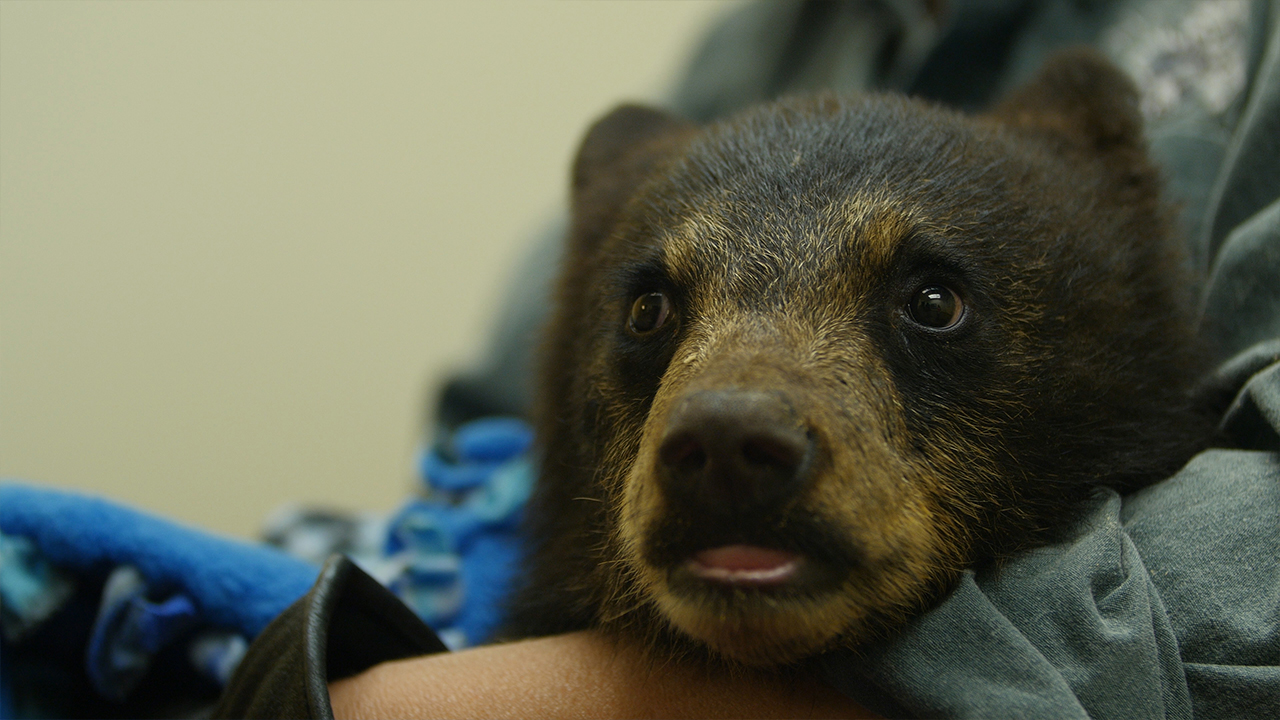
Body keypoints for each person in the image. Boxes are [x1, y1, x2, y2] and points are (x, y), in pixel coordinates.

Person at [218, 1, 1280, 717]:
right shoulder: (761, 38)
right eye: (654, 320)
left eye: (928, 308)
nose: (725, 413)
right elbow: (483, 431)